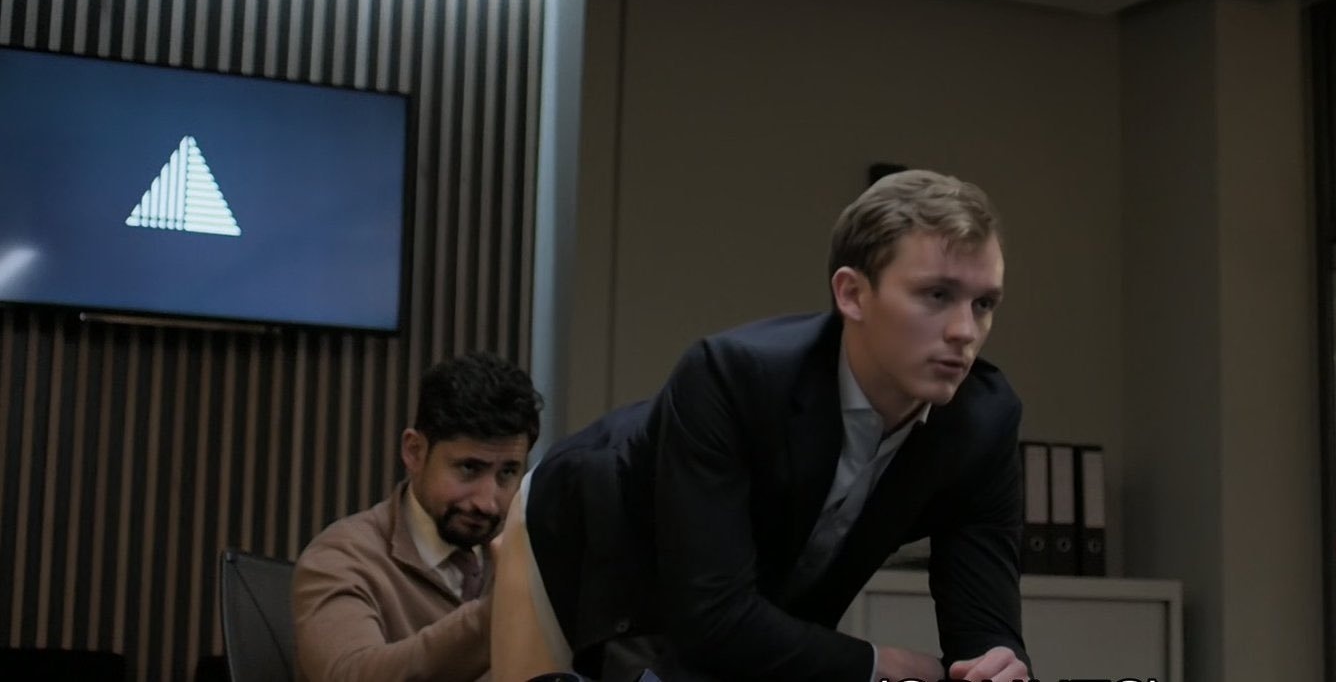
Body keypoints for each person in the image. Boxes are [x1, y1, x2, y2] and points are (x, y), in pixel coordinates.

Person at [494, 169, 1030, 682]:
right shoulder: (730, 374)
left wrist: (995, 663)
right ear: (851, 294)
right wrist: (875, 664)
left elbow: (983, 623)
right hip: (593, 529)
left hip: (741, 604)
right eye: (936, 295)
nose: (965, 331)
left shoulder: (984, 419)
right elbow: (711, 616)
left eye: (984, 303)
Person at [294, 351, 544, 682]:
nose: (488, 503)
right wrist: (496, 613)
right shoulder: (343, 557)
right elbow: (349, 674)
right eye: (469, 468)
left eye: (507, 472)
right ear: (414, 452)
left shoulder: (522, 554)